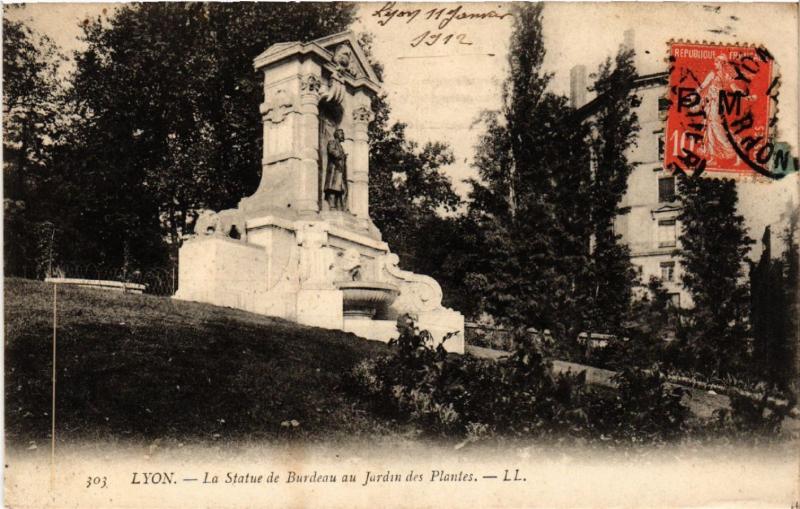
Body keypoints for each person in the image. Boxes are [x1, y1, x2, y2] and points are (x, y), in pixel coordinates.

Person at [325, 128, 348, 211]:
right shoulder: (332, 142)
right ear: (337, 135)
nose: (343, 135)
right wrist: (340, 155)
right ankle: (332, 206)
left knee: (343, 189)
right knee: (333, 188)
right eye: (342, 134)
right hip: (335, 168)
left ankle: (344, 208)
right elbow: (331, 151)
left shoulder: (341, 146)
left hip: (340, 170)